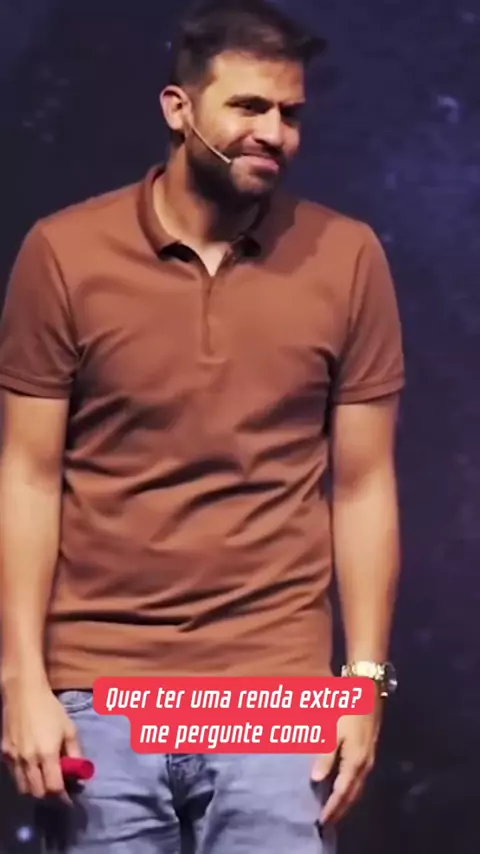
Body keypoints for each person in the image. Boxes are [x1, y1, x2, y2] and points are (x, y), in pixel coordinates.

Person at [0, 0, 405, 851]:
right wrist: (21, 681)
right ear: (178, 109)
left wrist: (363, 680)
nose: (274, 133)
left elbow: (364, 484)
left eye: (290, 113)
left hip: (275, 684)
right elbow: (28, 475)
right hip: (101, 684)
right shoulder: (65, 254)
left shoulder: (347, 257)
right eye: (249, 107)